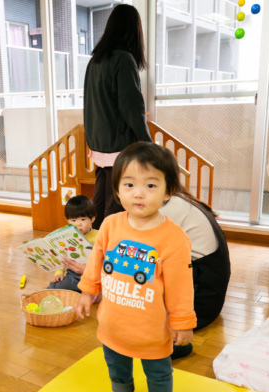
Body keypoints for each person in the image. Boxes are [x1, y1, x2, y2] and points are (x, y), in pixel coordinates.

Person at [76, 142, 197, 392]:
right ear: (117, 189)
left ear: (168, 191)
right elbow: (96, 261)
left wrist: (183, 323)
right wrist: (86, 292)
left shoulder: (173, 238)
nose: (138, 193)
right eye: (129, 184)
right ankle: (122, 391)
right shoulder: (110, 224)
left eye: (151, 185)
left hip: (152, 329)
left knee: (158, 373)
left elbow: (181, 287)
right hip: (112, 322)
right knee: (115, 362)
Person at [84, 3, 152, 229]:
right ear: (134, 31)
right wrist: (148, 144)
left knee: (99, 207)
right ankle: (109, 259)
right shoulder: (124, 60)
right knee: (116, 210)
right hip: (119, 149)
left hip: (99, 146)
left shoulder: (95, 61)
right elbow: (132, 109)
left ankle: (94, 257)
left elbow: (91, 105)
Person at [159, 185, 230, 360]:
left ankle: (164, 344)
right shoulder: (180, 199)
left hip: (198, 305)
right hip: (207, 296)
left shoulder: (170, 207)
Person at [47, 195, 98, 293]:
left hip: (92, 276)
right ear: (68, 220)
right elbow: (61, 257)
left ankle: (86, 291)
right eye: (73, 220)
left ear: (92, 219)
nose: (78, 224)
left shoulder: (99, 235)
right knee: (54, 285)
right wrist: (59, 273)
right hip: (73, 275)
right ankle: (81, 291)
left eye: (83, 219)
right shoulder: (66, 236)